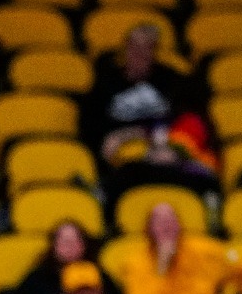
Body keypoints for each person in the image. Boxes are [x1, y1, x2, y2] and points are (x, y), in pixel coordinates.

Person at [83, 26, 217, 197]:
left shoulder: (173, 81)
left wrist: (143, 133)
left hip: (169, 153)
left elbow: (192, 118)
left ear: (154, 51)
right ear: (125, 48)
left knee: (206, 183)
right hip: (124, 164)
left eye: (147, 47)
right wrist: (113, 139)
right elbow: (91, 126)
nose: (140, 54)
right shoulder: (105, 83)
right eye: (135, 47)